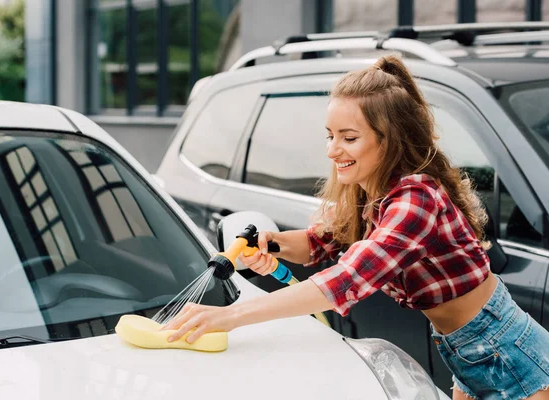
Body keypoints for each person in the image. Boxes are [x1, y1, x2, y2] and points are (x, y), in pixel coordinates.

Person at [162, 55, 549, 400]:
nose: (332, 151)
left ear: (390, 140)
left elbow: (344, 281)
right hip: (468, 350)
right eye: (330, 136)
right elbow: (319, 244)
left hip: (508, 351)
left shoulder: (416, 200)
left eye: (349, 138)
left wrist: (228, 316)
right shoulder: (371, 191)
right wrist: (273, 244)